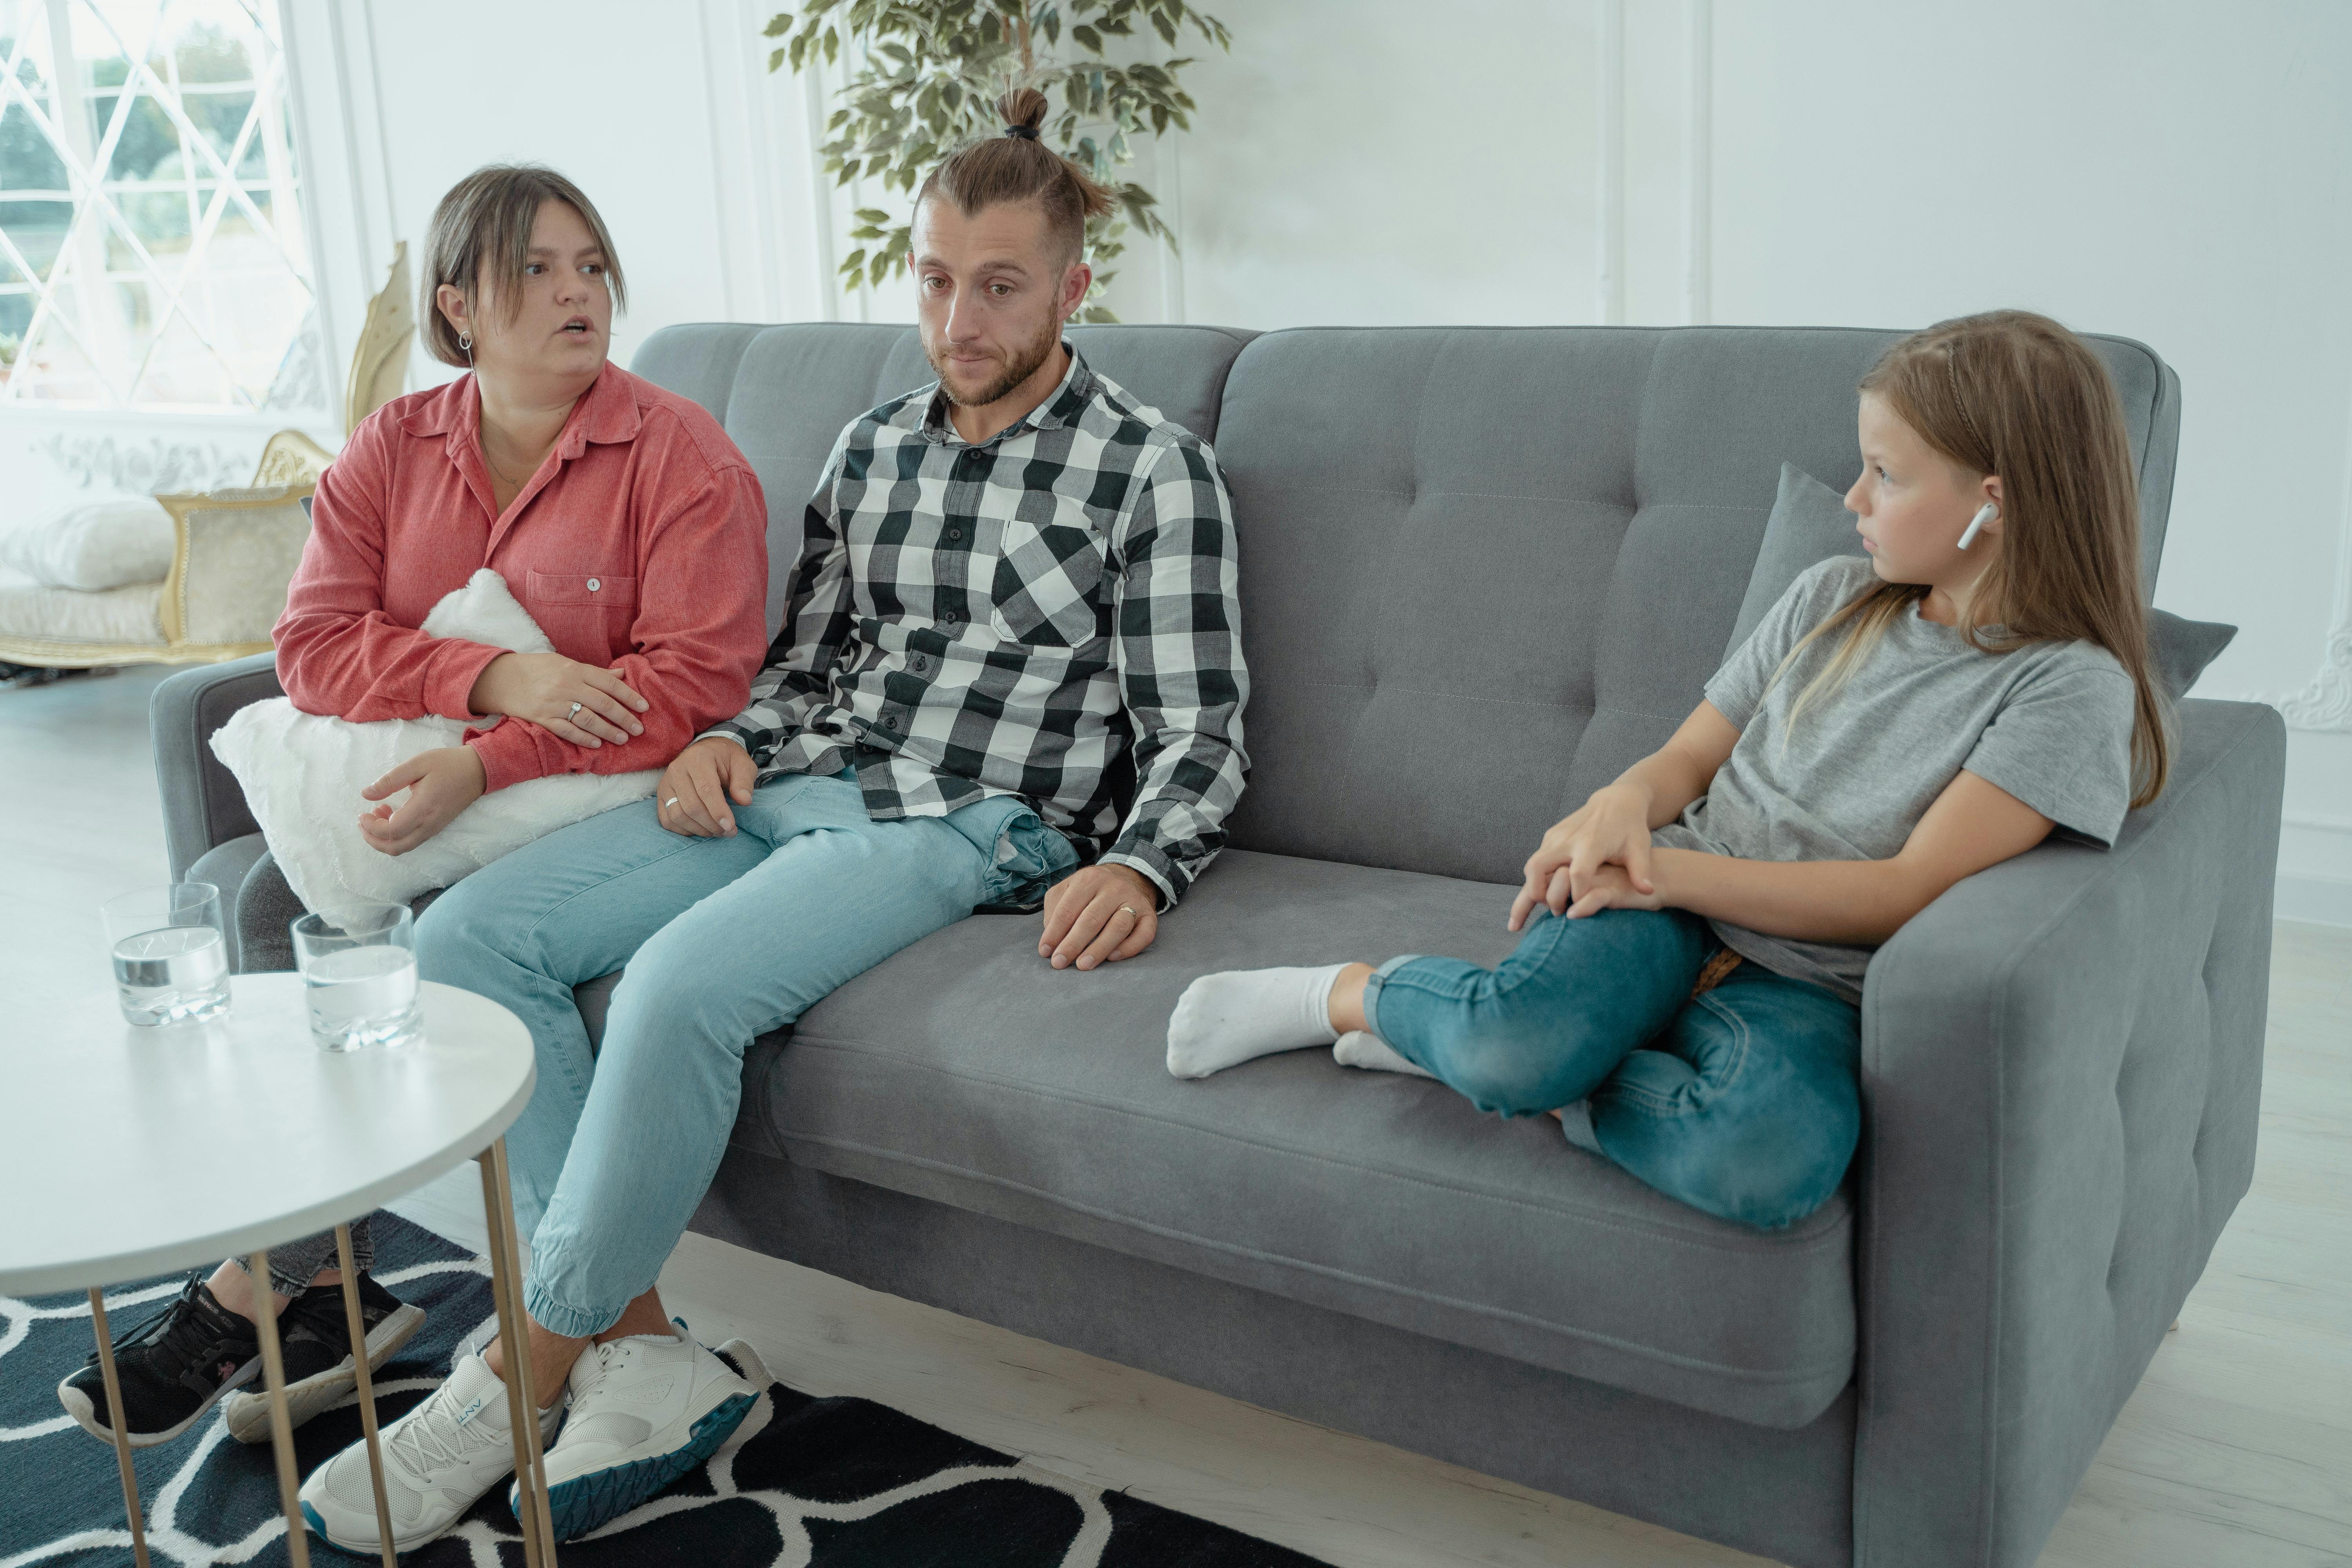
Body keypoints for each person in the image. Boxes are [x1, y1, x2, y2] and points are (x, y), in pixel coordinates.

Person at [298, 91, 1249, 1549]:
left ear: (1070, 287)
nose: (959, 317)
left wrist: (1144, 861)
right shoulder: (870, 449)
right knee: (472, 938)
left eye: (999, 285)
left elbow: (1198, 730)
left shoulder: (1152, 469)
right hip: (800, 785)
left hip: (969, 824)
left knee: (677, 990)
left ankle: (515, 1370)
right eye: (935, 279)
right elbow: (801, 666)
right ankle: (640, 1351)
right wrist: (727, 744)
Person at [1166, 310, 2170, 1232]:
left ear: (1989, 503)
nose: (1853, 498)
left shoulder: (2068, 690)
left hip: (1809, 981)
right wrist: (1618, 808)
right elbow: (1691, 756)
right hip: (1660, 910)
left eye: (1887, 475)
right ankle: (1343, 996)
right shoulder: (1830, 593)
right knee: (1514, 1042)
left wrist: (1659, 867)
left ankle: (1477, 1049)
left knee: (1766, 1163)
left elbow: (1899, 891)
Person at [56, 165, 769, 1457]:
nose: (578, 293)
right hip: (454, 778)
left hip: (601, 798)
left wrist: (485, 756)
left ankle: (522, 1319)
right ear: (458, 308)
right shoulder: (393, 450)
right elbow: (313, 645)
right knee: (269, 901)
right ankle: (313, 1277)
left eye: (592, 267)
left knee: (394, 916)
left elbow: (696, 682)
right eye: (538, 271)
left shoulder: (683, 457)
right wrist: (496, 671)